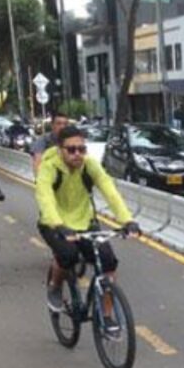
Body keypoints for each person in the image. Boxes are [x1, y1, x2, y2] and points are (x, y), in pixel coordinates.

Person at [36, 125, 140, 313]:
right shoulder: (49, 167)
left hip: (85, 223)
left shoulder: (90, 165)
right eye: (71, 149)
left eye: (81, 149)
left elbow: (110, 191)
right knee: (68, 256)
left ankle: (108, 316)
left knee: (108, 261)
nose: (77, 154)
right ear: (60, 150)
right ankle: (55, 286)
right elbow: (45, 196)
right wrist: (58, 225)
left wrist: (127, 220)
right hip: (54, 223)